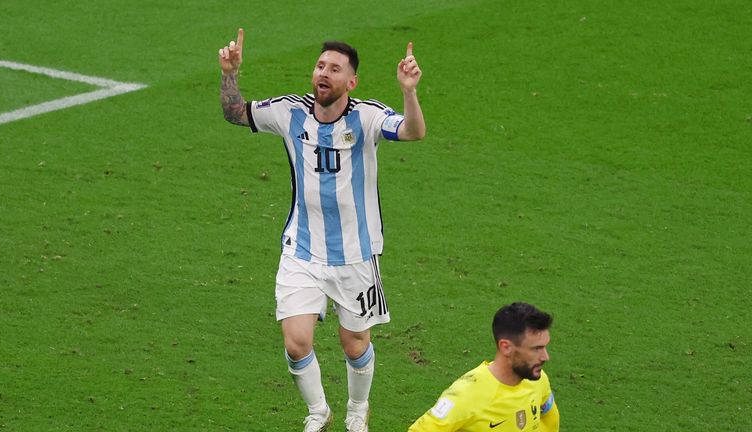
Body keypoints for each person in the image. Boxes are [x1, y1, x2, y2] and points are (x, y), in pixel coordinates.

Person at [218, 28, 426, 432]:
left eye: (334, 69)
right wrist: (230, 73)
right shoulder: (289, 111)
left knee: (356, 344)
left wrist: (409, 91)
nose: (323, 74)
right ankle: (318, 412)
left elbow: (413, 131)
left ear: (352, 82)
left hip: (356, 252)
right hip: (302, 249)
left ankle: (356, 410)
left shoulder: (366, 117)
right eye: (319, 66)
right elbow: (234, 112)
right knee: (296, 342)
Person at [408, 302, 560, 432]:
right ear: (506, 347)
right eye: (536, 349)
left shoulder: (538, 379)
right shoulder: (466, 395)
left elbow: (549, 417)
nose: (545, 357)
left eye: (545, 347)